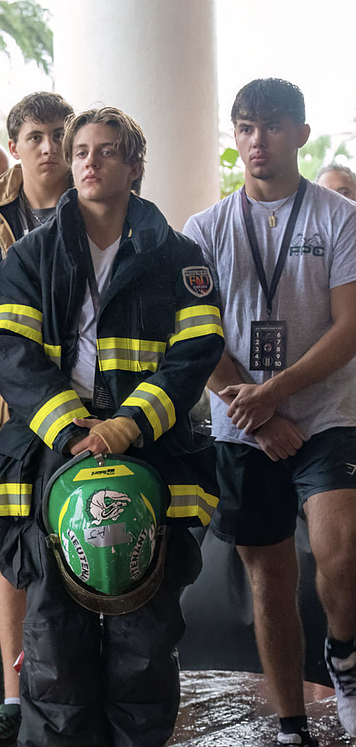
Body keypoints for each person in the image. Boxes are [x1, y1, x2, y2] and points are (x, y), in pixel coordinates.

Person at [0, 106, 224, 747]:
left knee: (143, 643)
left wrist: (127, 427)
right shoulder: (30, 257)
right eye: (81, 150)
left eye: (107, 151)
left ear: (135, 167)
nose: (89, 161)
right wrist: (74, 430)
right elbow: (12, 352)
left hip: (152, 455)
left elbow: (194, 353)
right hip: (55, 457)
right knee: (54, 641)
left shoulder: (179, 259)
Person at [184, 78, 356, 746]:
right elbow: (198, 337)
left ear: (302, 134)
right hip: (242, 424)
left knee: (342, 552)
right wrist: (254, 408)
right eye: (247, 127)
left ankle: (343, 653)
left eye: (275, 126)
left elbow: (348, 328)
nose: (260, 141)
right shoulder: (204, 228)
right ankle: (290, 723)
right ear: (236, 135)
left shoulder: (338, 219)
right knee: (271, 575)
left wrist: (277, 392)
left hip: (325, 416)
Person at [0, 91, 74, 747]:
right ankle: (10, 700)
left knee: (86, 540)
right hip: (3, 410)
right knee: (10, 550)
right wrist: (10, 376)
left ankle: (75, 692)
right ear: (17, 143)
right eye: (36, 135)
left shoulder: (100, 210)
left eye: (60, 134)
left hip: (82, 411)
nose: (49, 147)